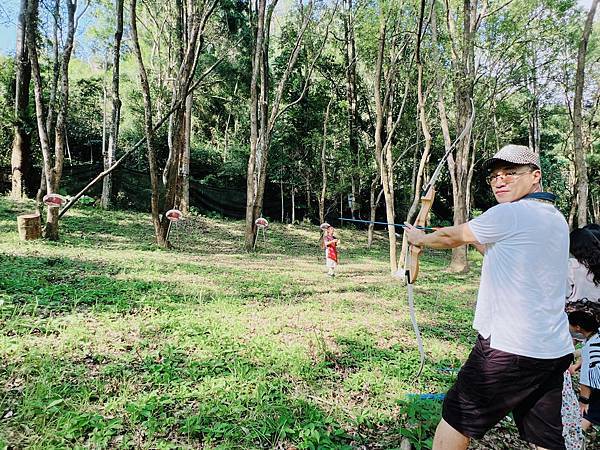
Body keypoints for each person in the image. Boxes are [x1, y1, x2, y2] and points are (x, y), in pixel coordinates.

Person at [404, 144, 574, 450]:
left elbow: (449, 237)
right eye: (495, 176)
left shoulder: (511, 213)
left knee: (457, 416)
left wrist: (419, 238)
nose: (500, 181)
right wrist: (468, 237)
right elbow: (503, 251)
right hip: (553, 350)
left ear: (535, 176)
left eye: (510, 173)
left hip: (509, 348)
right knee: (545, 436)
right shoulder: (554, 218)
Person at [568, 310, 600, 431]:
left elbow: (586, 380)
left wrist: (583, 401)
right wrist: (576, 365)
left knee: (587, 414)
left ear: (578, 328)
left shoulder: (589, 347)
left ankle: (573, 442)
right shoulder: (597, 335)